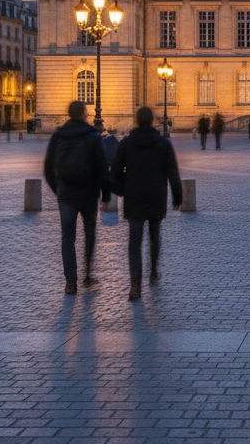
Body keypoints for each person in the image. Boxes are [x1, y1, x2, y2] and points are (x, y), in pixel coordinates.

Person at [112, 106, 183, 301]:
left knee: (134, 241)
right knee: (154, 236)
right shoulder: (163, 143)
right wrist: (177, 196)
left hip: (133, 195)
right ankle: (152, 273)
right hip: (155, 195)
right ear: (152, 121)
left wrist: (122, 189)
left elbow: (116, 172)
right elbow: (173, 172)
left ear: (136, 120)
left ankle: (135, 284)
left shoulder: (126, 143)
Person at [43, 101, 111, 294]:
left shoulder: (58, 135)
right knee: (90, 234)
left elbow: (48, 168)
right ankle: (88, 275)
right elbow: (102, 168)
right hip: (89, 193)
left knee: (67, 238)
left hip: (66, 193)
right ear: (83, 115)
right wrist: (105, 195)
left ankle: (70, 282)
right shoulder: (92, 136)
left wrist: (59, 191)